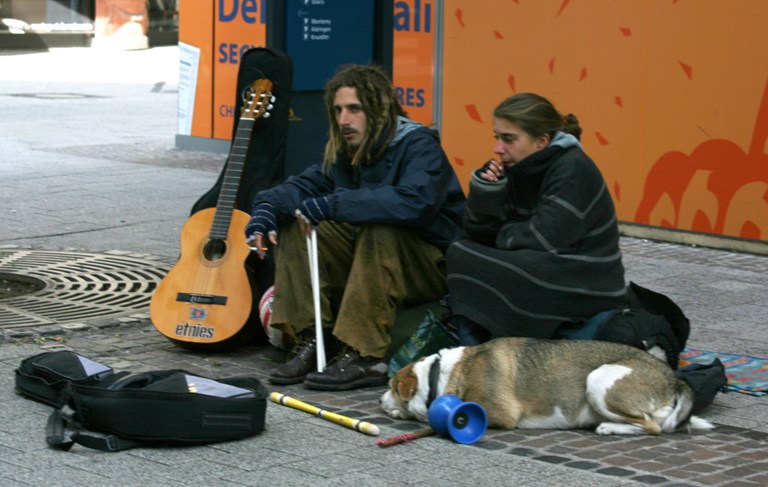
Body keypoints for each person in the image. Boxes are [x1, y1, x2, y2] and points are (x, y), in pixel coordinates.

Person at [245, 64, 466, 390]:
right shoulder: (348, 152)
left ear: (378, 109)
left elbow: (413, 203)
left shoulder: (418, 145)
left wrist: (333, 205)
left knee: (380, 226)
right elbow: (301, 187)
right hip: (375, 259)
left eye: (354, 109)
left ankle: (367, 354)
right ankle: (313, 340)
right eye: (337, 110)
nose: (343, 119)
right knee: (295, 220)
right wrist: (265, 210)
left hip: (430, 264)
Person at [446, 92, 629, 345]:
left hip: (586, 280)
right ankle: (475, 348)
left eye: (509, 139)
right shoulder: (518, 167)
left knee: (482, 261)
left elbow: (542, 238)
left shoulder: (573, 168)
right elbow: (476, 234)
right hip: (543, 262)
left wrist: (501, 233)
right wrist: (486, 191)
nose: (498, 148)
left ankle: (484, 350)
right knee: (461, 250)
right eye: (497, 137)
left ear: (541, 141)